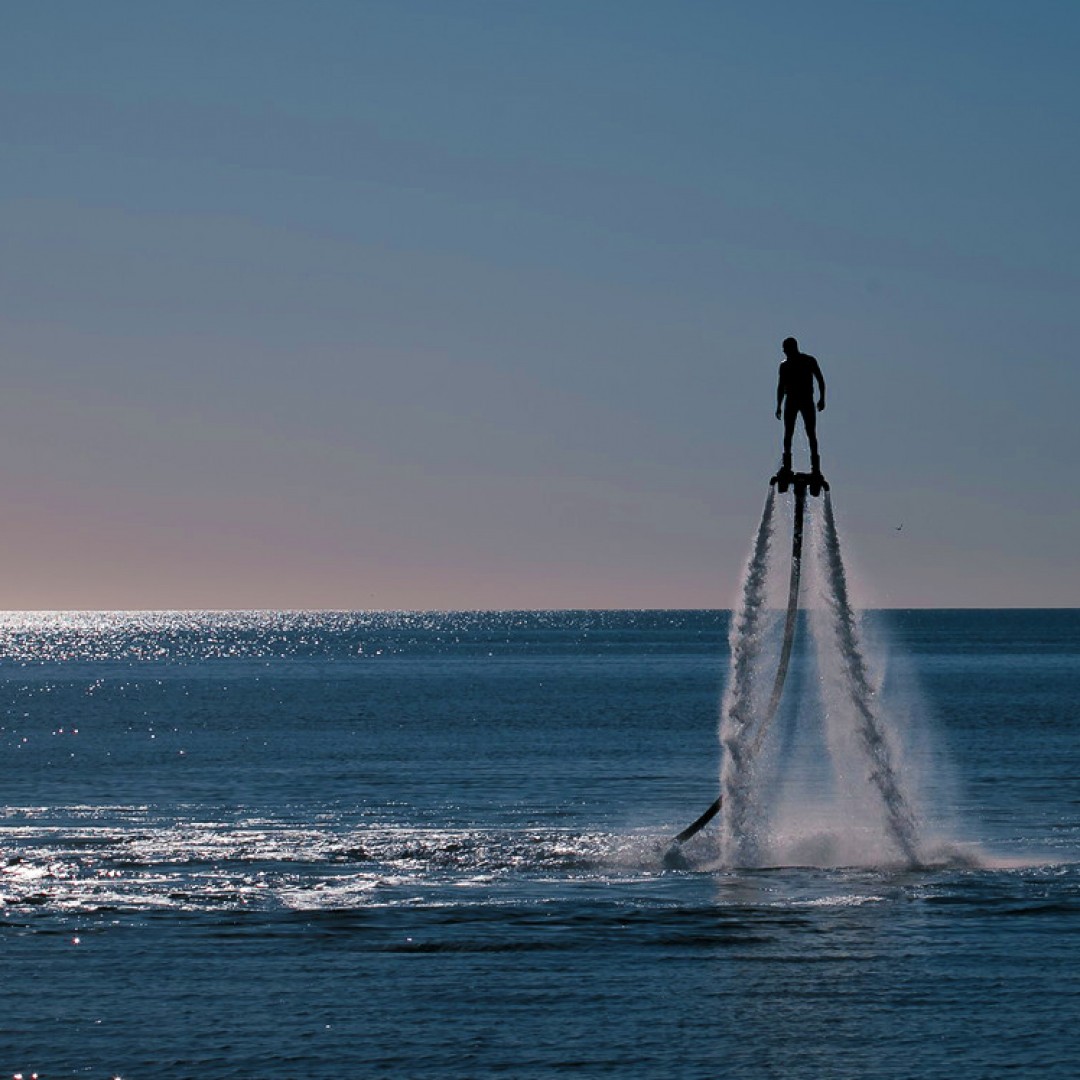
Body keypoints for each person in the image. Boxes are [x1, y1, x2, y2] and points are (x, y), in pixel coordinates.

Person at [775, 336, 826, 476]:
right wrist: (778, 405)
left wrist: (822, 399)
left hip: (806, 399)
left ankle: (815, 467)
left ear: (792, 348)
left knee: (811, 432)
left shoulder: (808, 361)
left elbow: (820, 379)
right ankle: (787, 465)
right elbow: (780, 386)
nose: (784, 351)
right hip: (791, 400)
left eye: (785, 349)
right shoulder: (784, 365)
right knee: (788, 433)